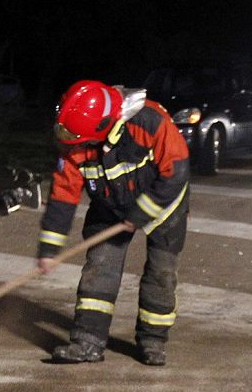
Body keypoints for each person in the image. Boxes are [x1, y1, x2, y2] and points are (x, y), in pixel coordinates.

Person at [37, 80, 190, 367]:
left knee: (162, 272)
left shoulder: (150, 121)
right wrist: (49, 247)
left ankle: (153, 341)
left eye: (76, 138)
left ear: (101, 126)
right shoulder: (76, 141)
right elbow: (63, 196)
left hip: (163, 204)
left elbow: (176, 172)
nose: (70, 143)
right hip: (110, 204)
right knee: (100, 267)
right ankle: (87, 342)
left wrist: (140, 215)